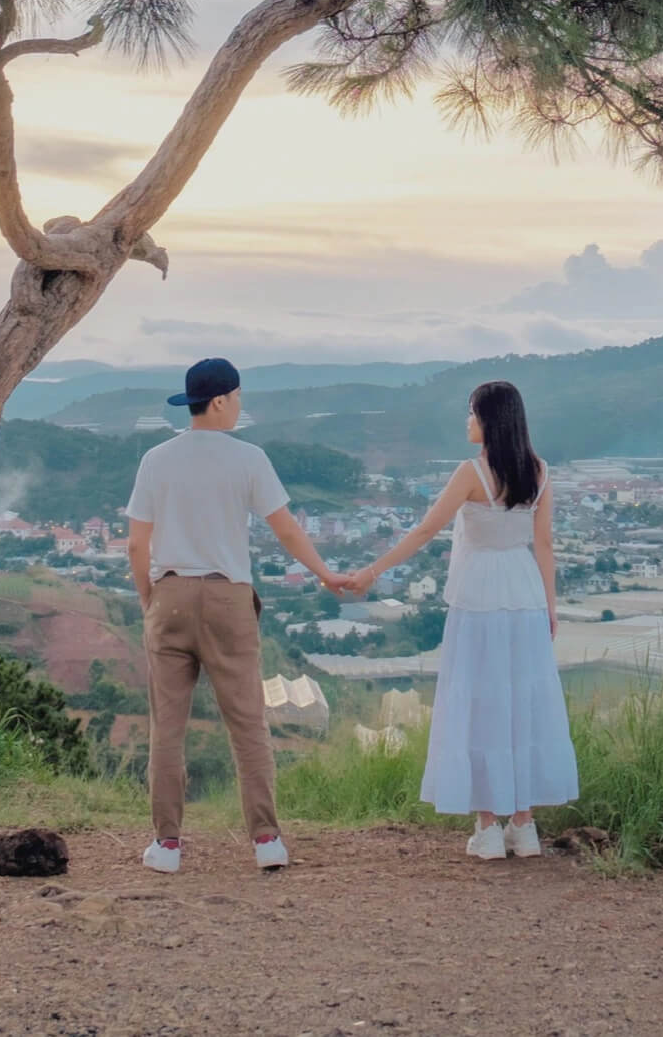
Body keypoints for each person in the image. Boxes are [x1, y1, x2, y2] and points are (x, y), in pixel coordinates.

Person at [126, 357, 346, 873]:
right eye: (239, 397)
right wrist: (324, 574)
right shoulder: (249, 459)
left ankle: (167, 847)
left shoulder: (156, 460)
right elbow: (286, 529)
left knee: (168, 727)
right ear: (221, 400)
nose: (241, 407)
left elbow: (138, 544)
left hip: (170, 596)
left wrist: (149, 600)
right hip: (229, 598)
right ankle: (267, 840)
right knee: (248, 723)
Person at [348, 380, 578, 859]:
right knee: (523, 705)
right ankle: (525, 826)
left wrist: (373, 571)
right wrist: (550, 608)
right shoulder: (539, 471)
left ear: (489, 419)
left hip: (479, 597)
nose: (467, 422)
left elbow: (428, 529)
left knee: (482, 703)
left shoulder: (471, 472)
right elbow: (545, 544)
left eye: (472, 413)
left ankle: (488, 828)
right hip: (524, 593)